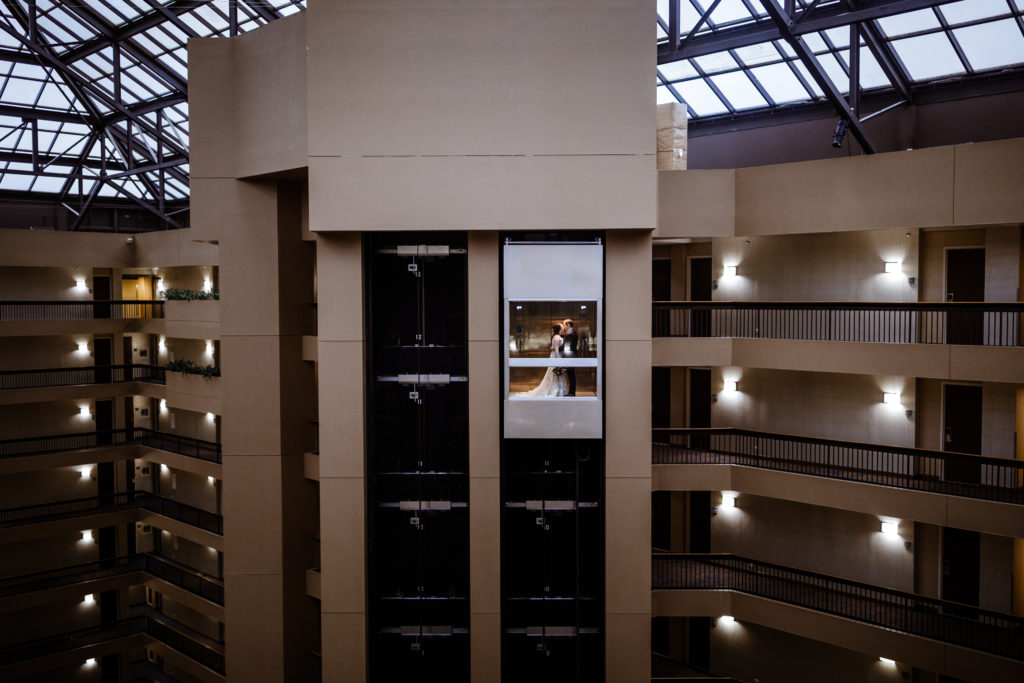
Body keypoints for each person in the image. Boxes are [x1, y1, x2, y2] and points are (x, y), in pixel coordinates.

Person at [514, 324, 568, 397]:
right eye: (561, 327)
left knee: (557, 373)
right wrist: (558, 360)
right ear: (559, 329)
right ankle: (555, 390)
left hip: (556, 355)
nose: (563, 328)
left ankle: (558, 389)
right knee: (555, 373)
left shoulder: (556, 336)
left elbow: (554, 347)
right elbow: (556, 349)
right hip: (556, 356)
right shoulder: (557, 337)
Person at [561, 318, 578, 396]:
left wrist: (557, 348)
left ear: (568, 325)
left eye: (564, 325)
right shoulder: (569, 333)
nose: (564, 327)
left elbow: (567, 345)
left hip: (570, 356)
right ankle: (570, 391)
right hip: (569, 356)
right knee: (570, 374)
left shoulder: (572, 334)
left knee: (571, 374)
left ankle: (572, 392)